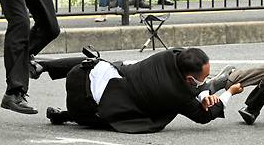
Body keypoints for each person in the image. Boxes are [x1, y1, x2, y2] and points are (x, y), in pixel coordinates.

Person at [33, 48, 243, 133]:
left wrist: (204, 92)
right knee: (118, 112)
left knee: (98, 63)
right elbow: (204, 117)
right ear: (189, 79)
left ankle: (44, 66)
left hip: (79, 75)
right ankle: (68, 115)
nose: (205, 80)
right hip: (86, 110)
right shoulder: (178, 95)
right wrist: (230, 93)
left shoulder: (168, 56)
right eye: (204, 78)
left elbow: (183, 54)